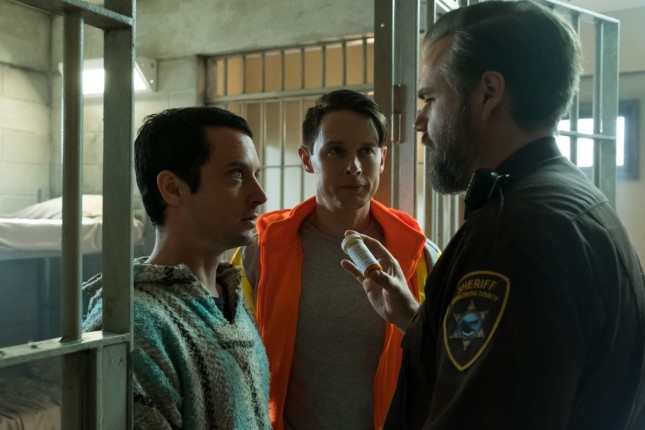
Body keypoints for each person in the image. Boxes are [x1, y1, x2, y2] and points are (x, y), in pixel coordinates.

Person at [342, 2, 645, 429]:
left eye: (431, 98)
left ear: (488, 93)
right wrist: (415, 319)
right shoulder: (577, 200)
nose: (419, 122)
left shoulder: (514, 235)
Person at [231, 89, 440, 430]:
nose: (353, 167)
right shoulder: (261, 252)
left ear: (382, 159)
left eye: (366, 151)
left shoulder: (420, 255)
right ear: (307, 159)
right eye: (336, 151)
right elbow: (233, 361)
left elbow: (450, 360)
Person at [82, 107, 272, 429]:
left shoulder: (230, 297)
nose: (260, 195)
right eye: (236, 174)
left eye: (256, 174)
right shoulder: (134, 324)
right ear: (173, 188)